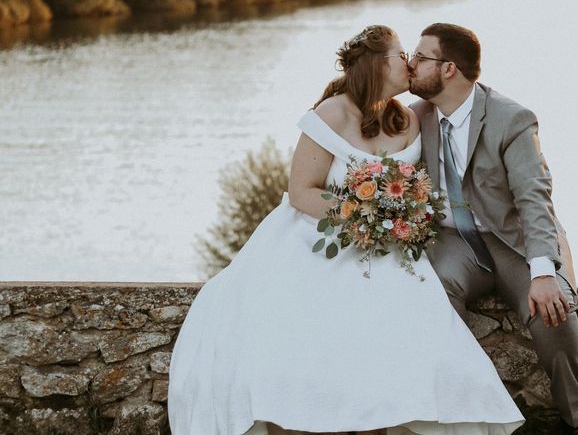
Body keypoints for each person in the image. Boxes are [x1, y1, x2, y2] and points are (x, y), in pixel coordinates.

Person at [168, 25, 524, 435]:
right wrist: (362, 211)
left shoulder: (407, 119)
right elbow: (302, 192)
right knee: (304, 340)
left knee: (401, 339)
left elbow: (424, 185)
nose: (409, 62)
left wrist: (399, 216)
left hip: (387, 245)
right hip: (318, 237)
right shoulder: (331, 113)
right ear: (377, 63)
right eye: (400, 54)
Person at [409, 23, 578, 435]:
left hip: (513, 240)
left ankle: (576, 419)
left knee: (553, 310)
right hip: (454, 240)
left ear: (448, 69)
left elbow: (535, 198)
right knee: (432, 291)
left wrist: (544, 272)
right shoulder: (414, 118)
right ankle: (455, 415)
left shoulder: (511, 119)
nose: (411, 63)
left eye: (420, 57)